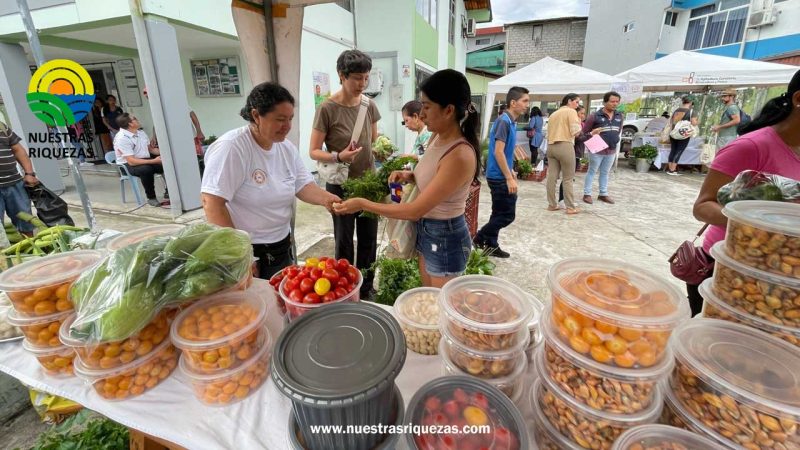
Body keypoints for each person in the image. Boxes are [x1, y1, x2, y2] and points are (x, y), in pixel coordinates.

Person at [332, 69, 479, 288]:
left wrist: (363, 204)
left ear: (448, 110)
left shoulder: (460, 155)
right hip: (427, 229)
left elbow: (414, 210)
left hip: (444, 236)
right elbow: (431, 176)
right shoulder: (437, 137)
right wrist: (410, 175)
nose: (422, 114)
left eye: (427, 107)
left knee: (440, 306)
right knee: (429, 297)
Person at [202, 82, 341, 279]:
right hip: (247, 248)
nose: (287, 127)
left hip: (280, 244)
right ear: (256, 115)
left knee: (280, 299)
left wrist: (328, 199)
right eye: (280, 119)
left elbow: (303, 185)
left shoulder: (285, 148)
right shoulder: (233, 148)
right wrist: (240, 255)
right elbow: (212, 203)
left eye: (290, 119)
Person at [690, 69, 800, 316]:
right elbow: (703, 206)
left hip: (783, 274)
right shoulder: (751, 147)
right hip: (731, 267)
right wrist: (758, 222)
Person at [309, 50, 381, 299]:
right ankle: (345, 285)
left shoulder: (369, 105)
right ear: (342, 76)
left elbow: (374, 139)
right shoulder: (327, 108)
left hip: (369, 183)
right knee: (343, 239)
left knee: (369, 238)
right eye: (357, 78)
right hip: (340, 184)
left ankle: (367, 286)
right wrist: (339, 156)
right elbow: (314, 151)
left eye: (366, 78)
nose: (362, 84)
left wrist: (382, 151)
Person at [473, 86, 530, 259]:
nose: (527, 105)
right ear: (513, 103)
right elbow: (498, 152)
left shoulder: (510, 122)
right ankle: (479, 237)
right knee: (507, 215)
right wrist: (508, 178)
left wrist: (511, 170)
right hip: (498, 177)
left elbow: (505, 151)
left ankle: (491, 244)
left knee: (498, 213)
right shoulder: (504, 121)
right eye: (524, 101)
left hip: (502, 174)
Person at [113, 113, 167, 207]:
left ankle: (169, 191)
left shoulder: (140, 132)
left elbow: (150, 150)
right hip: (127, 164)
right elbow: (131, 161)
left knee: (166, 163)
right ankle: (151, 197)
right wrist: (153, 161)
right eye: (135, 119)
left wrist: (166, 153)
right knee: (146, 170)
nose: (138, 120)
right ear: (130, 124)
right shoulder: (121, 138)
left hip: (144, 160)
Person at [582, 91, 623, 204]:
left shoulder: (619, 116)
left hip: (611, 149)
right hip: (597, 149)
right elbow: (585, 133)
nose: (615, 104)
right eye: (612, 101)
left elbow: (618, 130)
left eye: (617, 102)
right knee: (592, 171)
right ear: (605, 102)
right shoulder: (594, 116)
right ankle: (587, 194)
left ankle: (603, 194)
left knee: (605, 172)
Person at [546, 93, 582, 214]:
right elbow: (576, 132)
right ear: (569, 101)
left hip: (551, 146)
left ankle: (552, 204)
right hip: (565, 144)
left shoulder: (553, 114)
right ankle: (570, 207)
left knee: (552, 177)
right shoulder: (571, 112)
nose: (578, 105)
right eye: (576, 102)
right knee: (568, 178)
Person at [0, 122, 38, 236]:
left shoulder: (2, 126)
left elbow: (18, 150)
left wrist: (29, 173)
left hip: (14, 183)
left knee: (25, 220)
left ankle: (30, 247)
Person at [560, 105, 591, 206]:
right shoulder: (574, 124)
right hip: (572, 152)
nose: (583, 115)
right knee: (568, 178)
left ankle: (566, 199)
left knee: (570, 177)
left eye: (584, 113)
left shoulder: (581, 124)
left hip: (577, 153)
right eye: (581, 113)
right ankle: (563, 199)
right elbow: (577, 139)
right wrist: (590, 134)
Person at [665, 96, 698, 176]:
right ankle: (673, 170)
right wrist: (697, 122)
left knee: (673, 150)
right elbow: (694, 123)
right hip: (683, 134)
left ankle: (670, 169)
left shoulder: (676, 111)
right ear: (690, 103)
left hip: (673, 133)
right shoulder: (691, 112)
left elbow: (672, 122)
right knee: (679, 151)